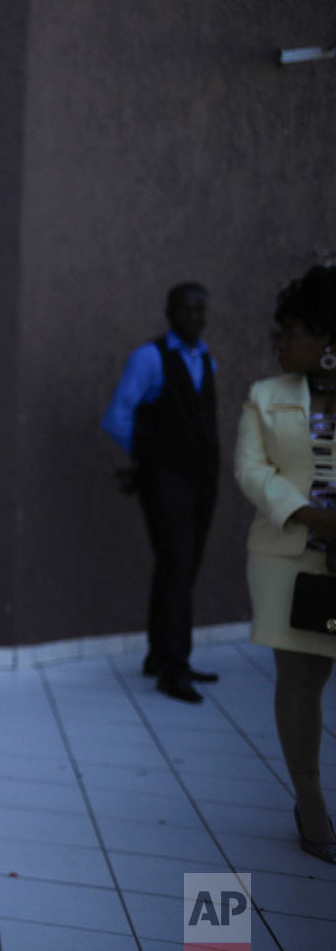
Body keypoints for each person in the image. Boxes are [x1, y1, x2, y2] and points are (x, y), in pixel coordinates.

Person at [233, 264, 336, 864]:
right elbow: (251, 470)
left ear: (329, 341)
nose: (281, 342)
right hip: (287, 561)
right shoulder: (265, 396)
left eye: (294, 331)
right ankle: (310, 803)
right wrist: (308, 514)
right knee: (300, 681)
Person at [101, 282, 221, 703]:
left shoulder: (206, 359)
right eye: (186, 310)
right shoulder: (149, 358)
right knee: (175, 564)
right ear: (169, 313)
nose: (194, 318)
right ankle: (174, 668)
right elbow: (117, 417)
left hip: (201, 480)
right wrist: (150, 458)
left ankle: (159, 654)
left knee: (182, 568)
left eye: (200, 310)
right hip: (165, 480)